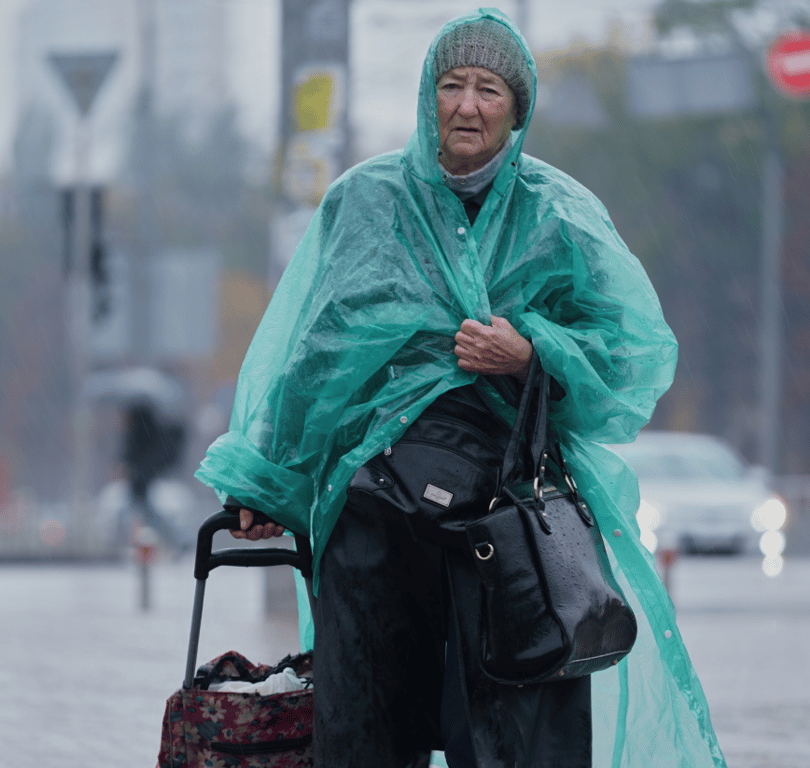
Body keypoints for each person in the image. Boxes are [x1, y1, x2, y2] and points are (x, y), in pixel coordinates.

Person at [198, 9, 725, 767]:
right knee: (369, 724)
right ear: (428, 96)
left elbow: (627, 358)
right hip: (376, 509)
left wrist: (529, 351)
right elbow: (312, 359)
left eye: (488, 89)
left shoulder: (558, 216)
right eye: (452, 85)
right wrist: (266, 485)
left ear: (518, 109)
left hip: (509, 518)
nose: (468, 105)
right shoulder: (368, 204)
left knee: (516, 728)